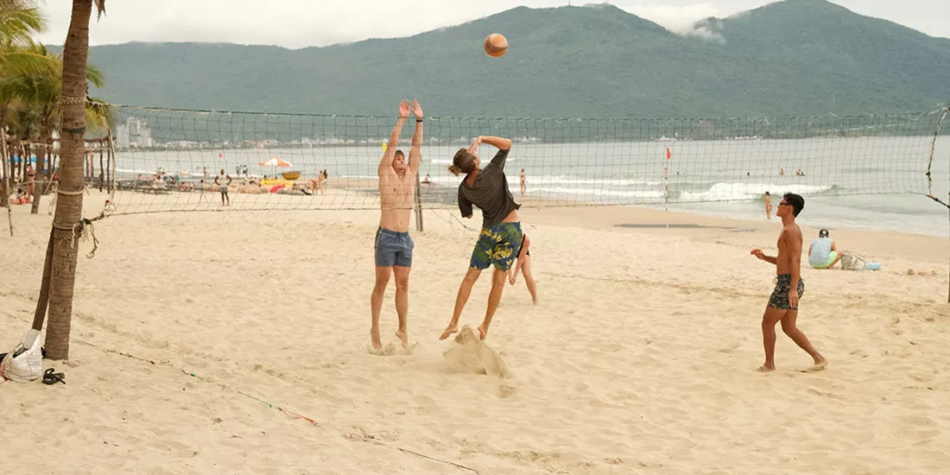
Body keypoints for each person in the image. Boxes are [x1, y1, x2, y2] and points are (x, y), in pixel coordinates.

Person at [439, 134, 520, 341]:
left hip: (488, 232)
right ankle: (485, 326)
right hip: (510, 229)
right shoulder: (492, 171)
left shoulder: (464, 188)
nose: (475, 152)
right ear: (474, 162)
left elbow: (468, 214)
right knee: (499, 279)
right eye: (473, 153)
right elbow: (507, 144)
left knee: (470, 276)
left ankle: (453, 321)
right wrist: (481, 139)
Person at [751, 193, 826, 372]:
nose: (777, 206)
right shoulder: (788, 229)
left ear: (789, 208)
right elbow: (784, 261)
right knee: (789, 327)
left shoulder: (791, 230)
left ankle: (769, 364)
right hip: (789, 282)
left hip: (788, 284)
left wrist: (792, 289)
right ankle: (819, 358)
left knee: (767, 323)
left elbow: (795, 261)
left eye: (781, 203)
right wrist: (764, 258)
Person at [370, 99, 423, 352]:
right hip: (388, 236)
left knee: (403, 285)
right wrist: (402, 118)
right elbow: (393, 144)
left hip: (405, 239)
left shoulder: (411, 175)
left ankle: (403, 329)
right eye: (397, 157)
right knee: (382, 284)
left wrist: (419, 120)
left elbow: (416, 146)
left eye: (403, 158)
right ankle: (375, 328)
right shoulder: (385, 172)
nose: (401, 159)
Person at [508, 233, 538, 304]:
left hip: (521, 252)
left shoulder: (525, 239)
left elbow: (520, 259)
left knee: (527, 273)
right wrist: (510, 275)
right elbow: (507, 260)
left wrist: (515, 276)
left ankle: (535, 298)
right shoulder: (507, 239)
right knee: (498, 270)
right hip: (508, 252)